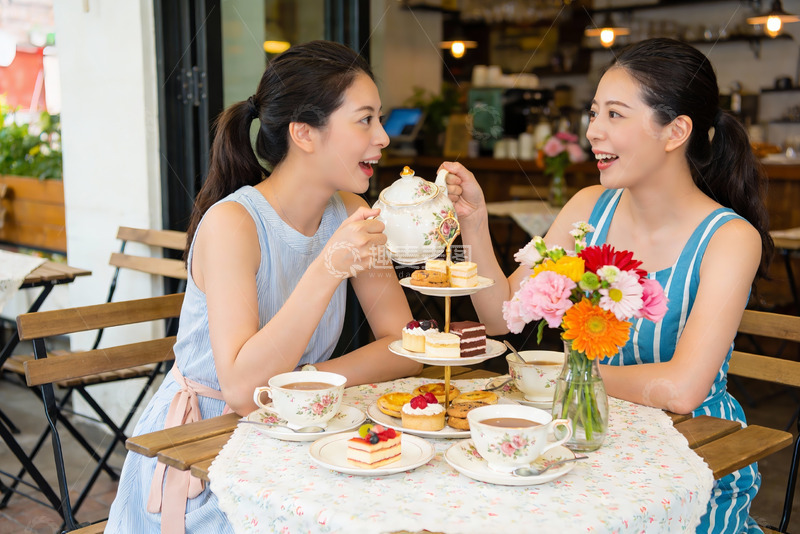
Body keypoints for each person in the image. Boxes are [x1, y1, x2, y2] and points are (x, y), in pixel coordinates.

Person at [441, 38, 773, 533]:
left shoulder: (728, 239)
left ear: (676, 131)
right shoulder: (588, 208)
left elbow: (682, 390)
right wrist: (474, 222)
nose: (593, 131)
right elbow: (499, 316)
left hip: (695, 453)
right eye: (594, 112)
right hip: (585, 440)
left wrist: (566, 379)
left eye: (615, 114)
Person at [107, 40, 422, 533]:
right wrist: (327, 269)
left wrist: (305, 382)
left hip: (298, 432)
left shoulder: (352, 213)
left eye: (379, 119)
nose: (383, 137)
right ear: (304, 133)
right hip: (204, 452)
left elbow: (405, 345)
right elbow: (240, 390)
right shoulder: (233, 224)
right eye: (365, 120)